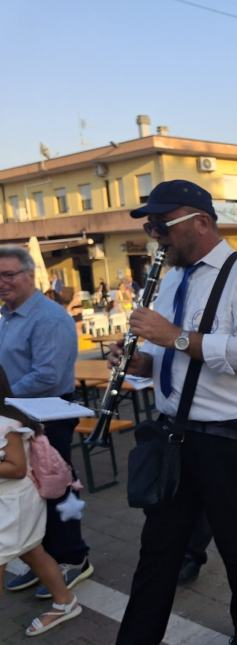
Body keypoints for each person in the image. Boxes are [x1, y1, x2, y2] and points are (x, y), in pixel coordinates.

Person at [111, 179, 237, 645]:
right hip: (171, 433)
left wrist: (175, 337)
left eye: (162, 223)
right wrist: (142, 362)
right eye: (150, 225)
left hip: (226, 435)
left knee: (236, 538)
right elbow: (170, 356)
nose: (154, 234)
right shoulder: (171, 278)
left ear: (200, 222)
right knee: (158, 548)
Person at [0, 246, 94, 600]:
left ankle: (74, 557)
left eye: (8, 274)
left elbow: (47, 375)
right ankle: (44, 560)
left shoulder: (50, 317)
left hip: (47, 415)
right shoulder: (6, 315)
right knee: (32, 494)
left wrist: (2, 399)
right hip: (18, 416)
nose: (2, 282)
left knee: (56, 488)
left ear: (29, 276)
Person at [0, 412, 82, 637]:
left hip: (14, 504)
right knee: (31, 552)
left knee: (23, 552)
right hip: (8, 503)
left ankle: (66, 601)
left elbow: (17, 469)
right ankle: (65, 601)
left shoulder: (7, 426)